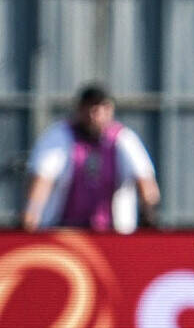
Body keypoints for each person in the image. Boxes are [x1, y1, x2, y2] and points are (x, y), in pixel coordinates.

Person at [21, 83, 159, 233]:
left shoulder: (123, 139)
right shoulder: (59, 136)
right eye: (91, 109)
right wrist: (32, 212)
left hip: (114, 233)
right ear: (79, 110)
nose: (96, 116)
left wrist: (148, 212)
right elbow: (43, 177)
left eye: (103, 109)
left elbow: (144, 178)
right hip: (64, 230)